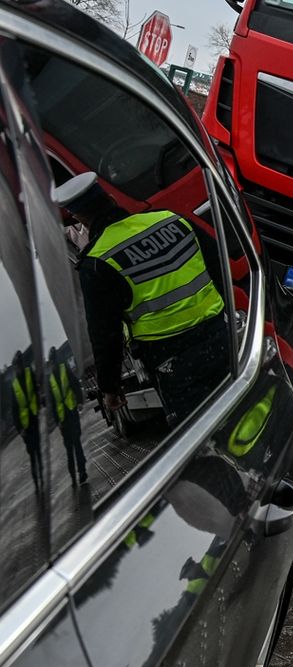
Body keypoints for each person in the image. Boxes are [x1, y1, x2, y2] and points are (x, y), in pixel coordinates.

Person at [51, 172, 229, 427]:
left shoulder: (97, 263)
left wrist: (110, 388)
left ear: (80, 219)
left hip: (173, 363)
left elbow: (105, 335)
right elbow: (220, 266)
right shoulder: (170, 219)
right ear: (111, 199)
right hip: (221, 336)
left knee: (205, 433)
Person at [47, 346, 87, 486]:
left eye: (53, 361)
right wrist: (57, 421)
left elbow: (75, 385)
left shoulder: (64, 370)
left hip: (71, 412)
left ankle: (81, 471)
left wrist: (80, 402)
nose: (53, 364)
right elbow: (52, 402)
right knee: (69, 447)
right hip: (63, 418)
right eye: (51, 362)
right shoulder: (50, 379)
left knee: (76, 443)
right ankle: (73, 475)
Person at [9, 349, 43, 495]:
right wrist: (20, 429)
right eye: (17, 366)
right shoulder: (14, 385)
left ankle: (41, 478)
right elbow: (14, 410)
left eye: (20, 365)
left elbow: (36, 391)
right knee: (33, 454)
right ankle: (37, 482)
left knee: (39, 452)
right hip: (25, 426)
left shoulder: (30, 374)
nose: (19, 368)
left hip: (34, 419)